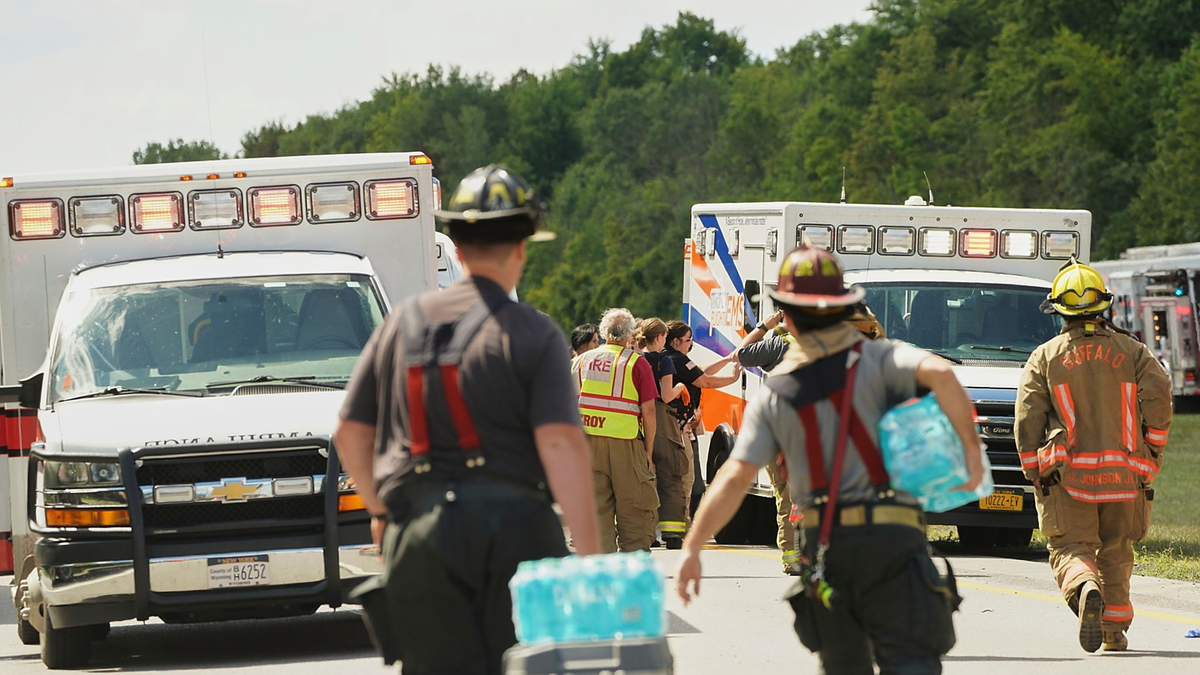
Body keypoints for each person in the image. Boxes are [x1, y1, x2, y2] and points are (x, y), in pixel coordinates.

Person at [334, 165, 601, 675]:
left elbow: (349, 432)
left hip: (421, 534)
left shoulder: (401, 324)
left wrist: (381, 511)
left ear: (455, 247)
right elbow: (561, 445)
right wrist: (588, 562)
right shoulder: (535, 333)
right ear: (522, 248)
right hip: (519, 533)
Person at [675, 244, 983, 674]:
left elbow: (734, 478)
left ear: (787, 316)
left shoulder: (782, 389)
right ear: (843, 307)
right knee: (912, 662)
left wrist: (693, 547)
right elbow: (944, 375)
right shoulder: (885, 357)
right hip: (897, 538)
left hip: (831, 546)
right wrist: (971, 456)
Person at [1015, 260, 1170, 653]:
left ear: (1059, 310)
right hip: (1124, 475)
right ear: (1104, 305)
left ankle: (1085, 586)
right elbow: (1159, 396)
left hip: (1066, 476)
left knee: (1070, 547)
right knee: (1116, 549)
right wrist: (1151, 452)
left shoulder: (1045, 356)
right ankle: (1113, 632)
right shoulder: (1133, 351)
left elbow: (1028, 417)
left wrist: (1033, 469)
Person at [730, 302, 886, 575]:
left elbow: (739, 354)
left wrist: (765, 326)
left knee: (786, 496)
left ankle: (794, 557)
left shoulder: (779, 344)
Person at [574, 308, 660, 552]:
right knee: (634, 510)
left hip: (587, 444)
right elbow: (649, 412)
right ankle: (631, 565)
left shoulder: (580, 361)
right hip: (626, 443)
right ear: (630, 334)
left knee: (596, 511)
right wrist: (648, 452)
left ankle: (601, 565)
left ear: (603, 332)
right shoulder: (636, 363)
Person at [636, 318, 692, 549]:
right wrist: (681, 387)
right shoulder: (664, 360)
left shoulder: (635, 359)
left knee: (644, 477)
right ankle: (673, 535)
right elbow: (666, 395)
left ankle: (647, 533)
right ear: (660, 337)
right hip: (661, 420)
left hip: (637, 420)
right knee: (670, 476)